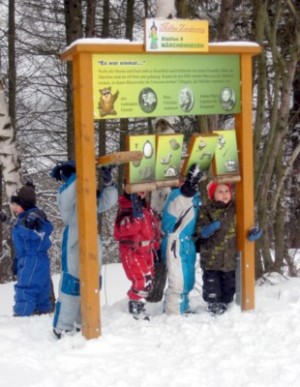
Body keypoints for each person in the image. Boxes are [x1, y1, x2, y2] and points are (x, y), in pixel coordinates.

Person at [50, 160, 118, 339]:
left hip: (92, 241)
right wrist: (78, 174)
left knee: (91, 282)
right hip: (74, 240)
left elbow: (108, 200)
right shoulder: (65, 195)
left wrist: (108, 183)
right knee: (71, 283)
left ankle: (84, 321)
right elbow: (68, 195)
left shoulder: (90, 198)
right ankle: (63, 326)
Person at [195, 181, 262, 315]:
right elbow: (199, 231)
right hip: (211, 259)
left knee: (228, 287)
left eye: (227, 191)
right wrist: (207, 230)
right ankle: (213, 304)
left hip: (229, 259)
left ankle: (227, 304)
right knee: (212, 285)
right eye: (220, 191)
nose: (224, 194)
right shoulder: (206, 210)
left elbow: (248, 224)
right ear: (212, 195)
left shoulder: (237, 209)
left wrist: (253, 232)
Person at [0, 181, 54, 316]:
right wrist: (16, 261)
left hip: (33, 260)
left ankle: (22, 317)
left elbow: (33, 234)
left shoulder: (34, 216)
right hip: (32, 259)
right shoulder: (24, 218)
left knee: (25, 289)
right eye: (12, 205)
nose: (13, 208)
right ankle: (43, 314)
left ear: (25, 204)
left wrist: (13, 222)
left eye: (16, 205)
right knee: (41, 289)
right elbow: (23, 245)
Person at [161, 163, 203, 315]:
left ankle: (183, 307)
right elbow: (181, 201)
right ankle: (173, 313)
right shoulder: (176, 197)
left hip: (187, 243)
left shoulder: (194, 199)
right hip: (175, 242)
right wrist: (189, 185)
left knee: (188, 280)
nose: (182, 183)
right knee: (177, 281)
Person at [114, 189, 162, 320]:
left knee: (149, 279)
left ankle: (139, 304)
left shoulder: (146, 208)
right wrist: (136, 217)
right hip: (132, 251)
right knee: (141, 279)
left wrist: (156, 247)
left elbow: (153, 230)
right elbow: (122, 231)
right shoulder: (125, 208)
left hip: (147, 251)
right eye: (137, 190)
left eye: (144, 190)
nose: (141, 192)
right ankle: (135, 308)